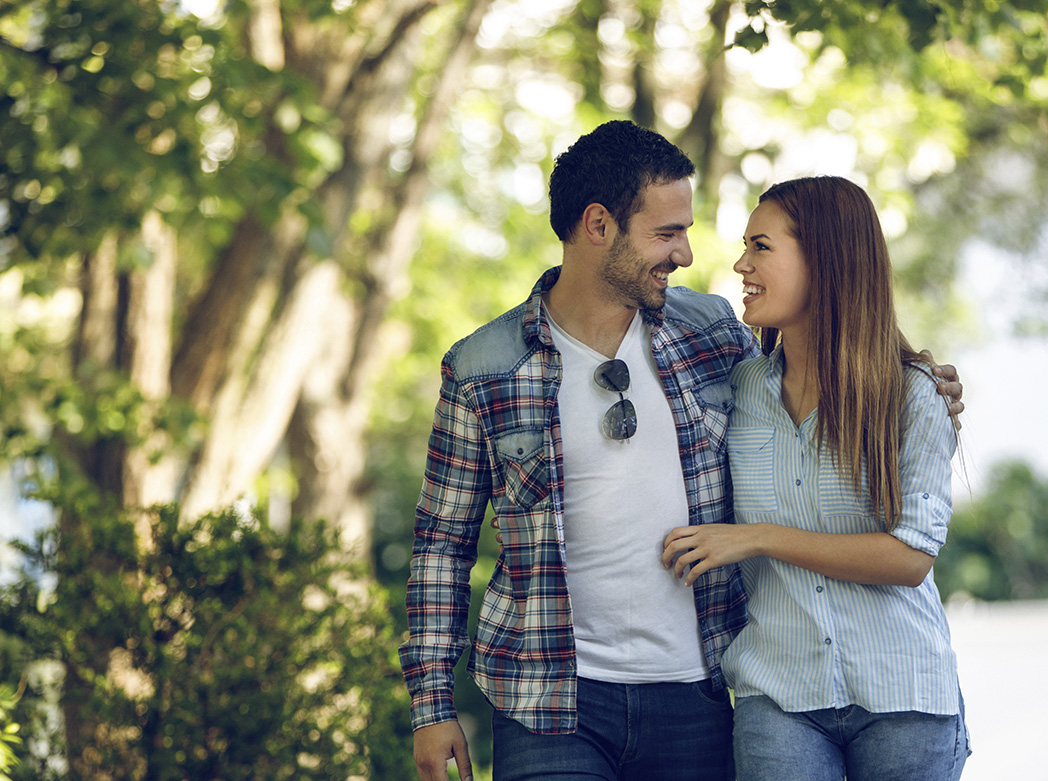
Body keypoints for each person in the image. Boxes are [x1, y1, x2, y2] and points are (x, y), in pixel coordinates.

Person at [400, 122, 964, 781]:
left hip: (696, 690)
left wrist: (923, 387)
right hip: (549, 700)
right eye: (667, 232)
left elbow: (828, 368)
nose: (687, 253)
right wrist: (430, 703)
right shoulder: (483, 367)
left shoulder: (712, 334)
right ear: (598, 225)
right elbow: (441, 546)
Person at [662, 176, 971, 780]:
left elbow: (911, 558)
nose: (741, 263)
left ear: (824, 259)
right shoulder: (739, 388)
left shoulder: (913, 395)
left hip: (904, 696)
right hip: (778, 696)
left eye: (761, 246)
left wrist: (756, 537)